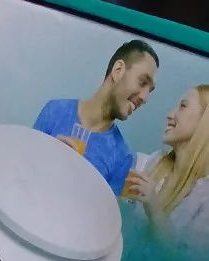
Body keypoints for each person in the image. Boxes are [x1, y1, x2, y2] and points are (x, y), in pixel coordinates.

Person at [33, 39, 159, 195]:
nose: (145, 98)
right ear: (118, 70)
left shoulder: (122, 157)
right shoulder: (55, 110)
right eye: (142, 82)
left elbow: (106, 211)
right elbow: (23, 171)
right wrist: (47, 156)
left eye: (149, 91)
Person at [125, 85, 209, 247]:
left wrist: (154, 210)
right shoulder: (155, 162)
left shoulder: (205, 196)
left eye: (183, 106)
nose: (170, 115)